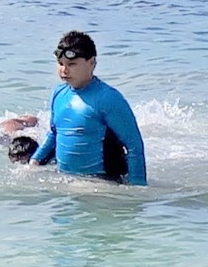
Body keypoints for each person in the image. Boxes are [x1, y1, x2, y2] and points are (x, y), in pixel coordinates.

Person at [30, 31, 147, 185]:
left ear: (92, 63)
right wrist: (35, 161)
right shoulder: (58, 93)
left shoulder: (108, 98)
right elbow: (53, 133)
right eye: (60, 64)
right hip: (65, 178)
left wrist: (138, 186)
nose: (64, 70)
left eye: (71, 64)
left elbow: (134, 146)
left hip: (102, 182)